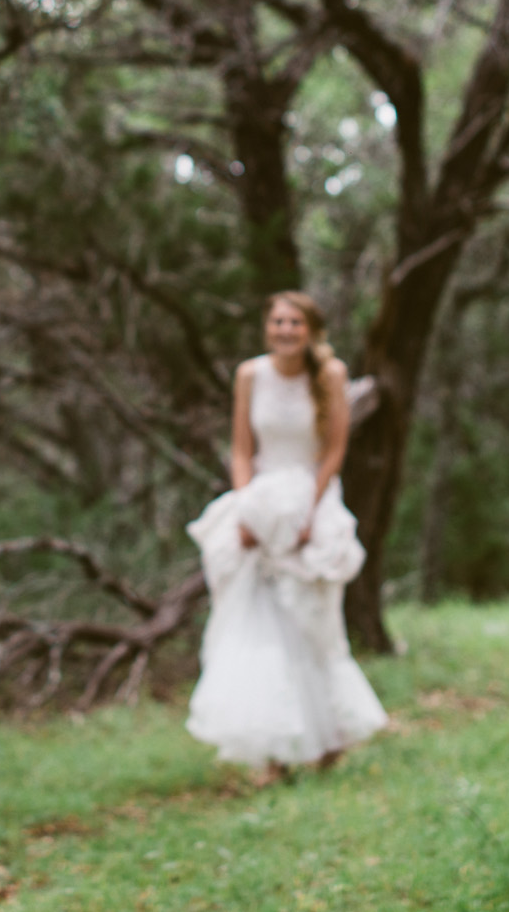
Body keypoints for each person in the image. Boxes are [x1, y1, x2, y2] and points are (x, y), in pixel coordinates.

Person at [185, 291, 387, 774]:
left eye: (295, 322)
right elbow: (241, 450)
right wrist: (247, 510)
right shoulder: (250, 375)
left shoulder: (330, 376)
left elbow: (334, 451)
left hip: (312, 500)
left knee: (312, 621)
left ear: (311, 329)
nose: (285, 330)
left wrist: (307, 516)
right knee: (262, 621)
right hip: (261, 501)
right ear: (267, 327)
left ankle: (329, 739)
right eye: (277, 321)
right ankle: (273, 751)